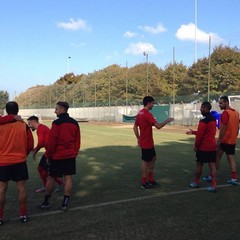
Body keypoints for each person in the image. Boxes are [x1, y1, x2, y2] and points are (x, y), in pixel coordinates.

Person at [39, 101, 80, 211]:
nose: (55, 111)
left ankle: (46, 202)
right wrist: (74, 153)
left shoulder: (56, 123)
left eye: (56, 109)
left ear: (62, 109)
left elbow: (52, 142)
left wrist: (48, 156)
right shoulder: (74, 123)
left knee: (51, 178)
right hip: (70, 156)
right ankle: (65, 204)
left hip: (57, 156)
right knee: (68, 179)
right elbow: (77, 141)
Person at [0, 102, 34, 225]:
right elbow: (30, 145)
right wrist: (23, 154)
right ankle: (23, 215)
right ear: (18, 111)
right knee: (21, 188)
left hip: (2, 161)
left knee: (2, 189)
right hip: (19, 161)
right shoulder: (23, 126)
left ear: (6, 111)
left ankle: (0, 217)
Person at [133, 96, 174, 189]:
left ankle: (150, 179)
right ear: (148, 103)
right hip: (146, 142)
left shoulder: (140, 113)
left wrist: (138, 138)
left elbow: (135, 127)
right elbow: (158, 126)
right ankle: (144, 182)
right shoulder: (147, 114)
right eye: (152, 103)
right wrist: (167, 120)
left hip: (147, 141)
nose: (153, 105)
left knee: (153, 158)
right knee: (145, 161)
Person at [203, 96, 239, 185]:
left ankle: (212, 176)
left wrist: (219, 140)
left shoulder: (225, 113)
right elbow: (238, 126)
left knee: (217, 157)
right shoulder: (236, 113)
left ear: (226, 102)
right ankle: (234, 178)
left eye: (221, 103)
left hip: (225, 140)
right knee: (231, 158)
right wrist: (235, 135)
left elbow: (223, 127)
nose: (219, 105)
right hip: (232, 140)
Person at [27, 116, 64, 193]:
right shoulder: (42, 127)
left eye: (29, 124)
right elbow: (43, 143)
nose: (29, 126)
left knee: (44, 170)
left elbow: (41, 143)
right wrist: (35, 149)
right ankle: (56, 183)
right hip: (51, 151)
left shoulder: (40, 129)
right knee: (43, 170)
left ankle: (55, 184)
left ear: (33, 122)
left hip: (52, 152)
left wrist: (35, 152)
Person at [186, 102, 217, 192]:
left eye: (202, 108)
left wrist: (196, 145)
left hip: (203, 147)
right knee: (212, 165)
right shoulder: (213, 119)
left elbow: (200, 135)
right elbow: (206, 132)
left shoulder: (203, 120)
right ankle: (214, 185)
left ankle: (195, 182)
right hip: (212, 146)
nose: (200, 109)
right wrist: (193, 132)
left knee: (199, 164)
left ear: (206, 108)